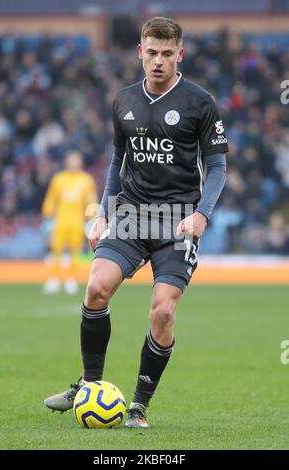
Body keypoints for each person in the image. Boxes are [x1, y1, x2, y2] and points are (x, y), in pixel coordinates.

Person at [44, 17, 228, 427]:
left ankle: (139, 406)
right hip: (130, 214)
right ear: (139, 53)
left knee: (162, 312)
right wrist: (103, 215)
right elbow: (117, 160)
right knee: (96, 287)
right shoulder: (124, 100)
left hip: (178, 220)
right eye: (151, 53)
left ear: (179, 55)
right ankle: (89, 387)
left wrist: (202, 214)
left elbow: (216, 166)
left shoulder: (200, 103)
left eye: (167, 54)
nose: (158, 61)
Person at [42, 150, 98, 294]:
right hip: (60, 219)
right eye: (72, 160)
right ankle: (53, 279)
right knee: (56, 250)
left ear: (81, 162)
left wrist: (93, 219)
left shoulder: (86, 180)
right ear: (66, 162)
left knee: (75, 251)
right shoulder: (58, 179)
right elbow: (51, 199)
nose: (74, 163)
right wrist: (48, 214)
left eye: (76, 160)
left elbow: (91, 200)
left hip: (77, 221)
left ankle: (71, 279)